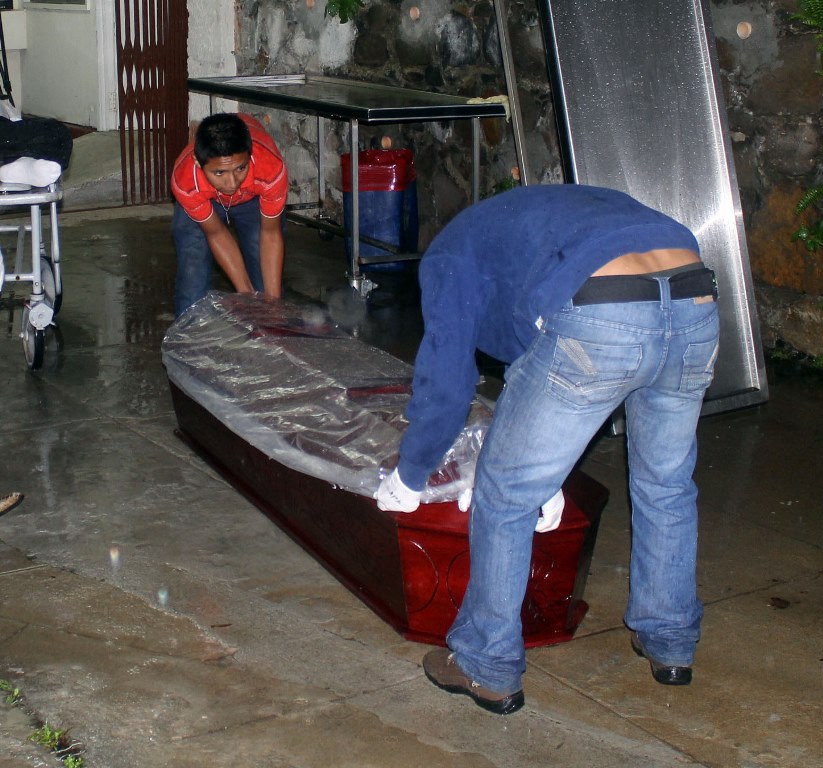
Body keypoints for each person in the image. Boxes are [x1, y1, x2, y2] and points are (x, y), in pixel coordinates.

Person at [374, 184, 720, 714]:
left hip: (603, 305)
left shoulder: (448, 254)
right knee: (666, 483)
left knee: (507, 493)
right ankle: (670, 638)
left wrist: (411, 472)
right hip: (695, 297)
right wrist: (550, 472)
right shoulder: (536, 224)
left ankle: (485, 664)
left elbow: (447, 381)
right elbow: (538, 358)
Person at [170, 112, 288, 316]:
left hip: (253, 198)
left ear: (249, 156)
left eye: (241, 168)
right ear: (199, 163)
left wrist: (272, 306)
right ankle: (189, 341)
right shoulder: (186, 180)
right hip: (204, 198)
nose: (232, 183)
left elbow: (270, 234)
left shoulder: (271, 168)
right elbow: (215, 233)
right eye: (219, 173)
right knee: (193, 272)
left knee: (267, 289)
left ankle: (268, 339)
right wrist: (246, 294)